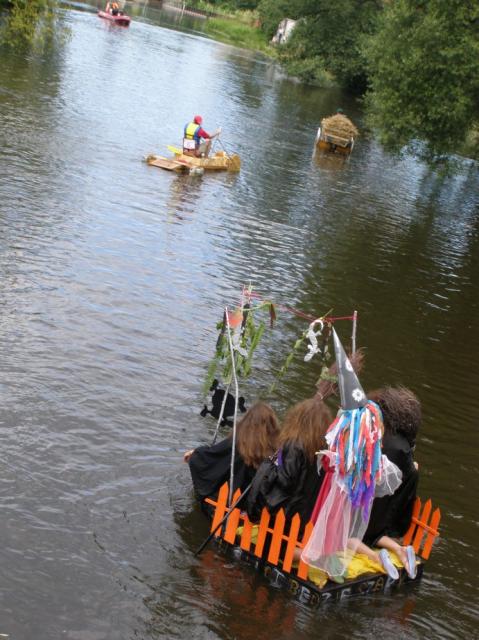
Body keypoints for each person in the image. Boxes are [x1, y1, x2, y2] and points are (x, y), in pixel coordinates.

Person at [360, 386, 421, 578]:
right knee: (377, 532)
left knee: (354, 536)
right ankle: (399, 548)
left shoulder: (381, 434)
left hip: (369, 513)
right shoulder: (404, 446)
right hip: (388, 519)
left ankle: (374, 555)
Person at [246, 396, 332, 527]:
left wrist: (269, 465)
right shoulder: (323, 450)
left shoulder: (294, 445)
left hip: (284, 515)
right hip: (302, 517)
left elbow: (285, 481)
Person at [184, 402, 279, 509]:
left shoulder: (238, 443)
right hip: (256, 504)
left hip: (233, 500)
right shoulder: (277, 449)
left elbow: (214, 455)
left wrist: (195, 454)